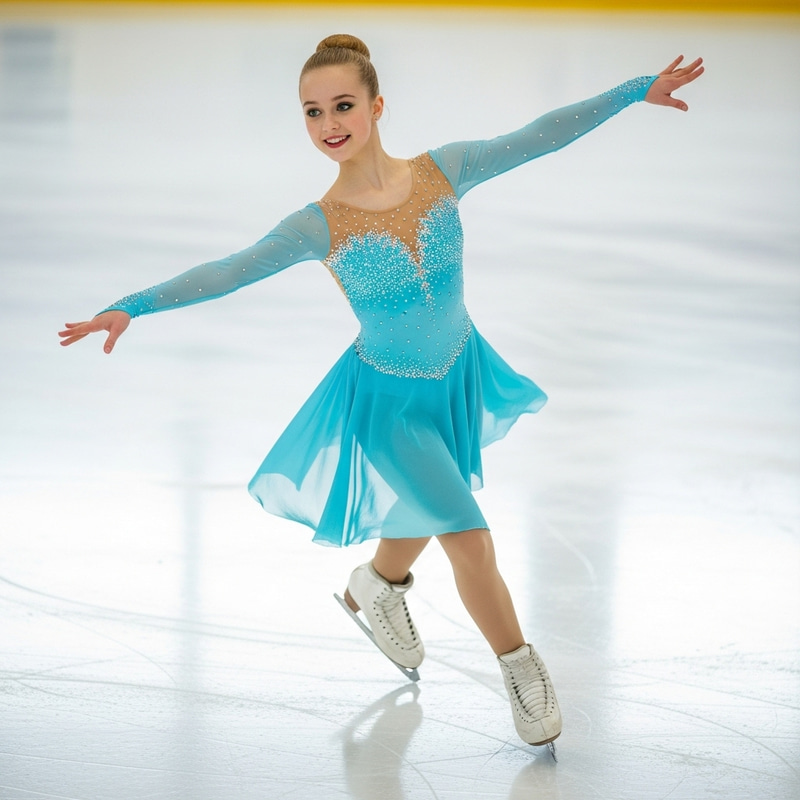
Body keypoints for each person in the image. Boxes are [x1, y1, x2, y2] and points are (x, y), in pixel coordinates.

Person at [59, 34, 703, 749]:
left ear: (376, 105)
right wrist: (133, 306)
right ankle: (520, 667)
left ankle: (377, 585)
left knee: (429, 508)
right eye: (312, 112)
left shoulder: (443, 171)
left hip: (459, 374)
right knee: (470, 538)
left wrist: (632, 91)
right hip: (390, 405)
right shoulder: (318, 225)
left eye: (342, 105)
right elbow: (230, 270)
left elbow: (537, 137)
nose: (328, 123)